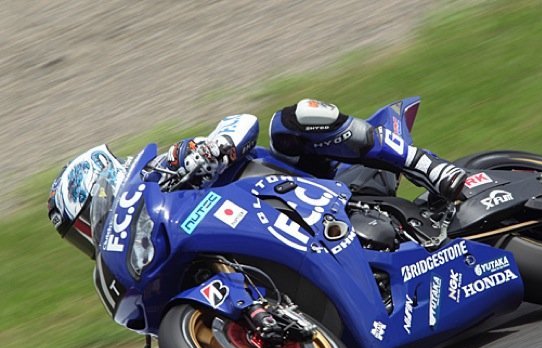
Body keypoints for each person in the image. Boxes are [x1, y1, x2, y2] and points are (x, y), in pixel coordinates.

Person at [48, 99, 467, 257]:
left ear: (106, 184)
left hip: (319, 189)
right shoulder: (150, 242)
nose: (92, 238)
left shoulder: (165, 170)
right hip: (287, 241)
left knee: (290, 120)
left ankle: (430, 168)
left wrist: (214, 148)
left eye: (87, 222)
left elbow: (241, 121)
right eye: (80, 237)